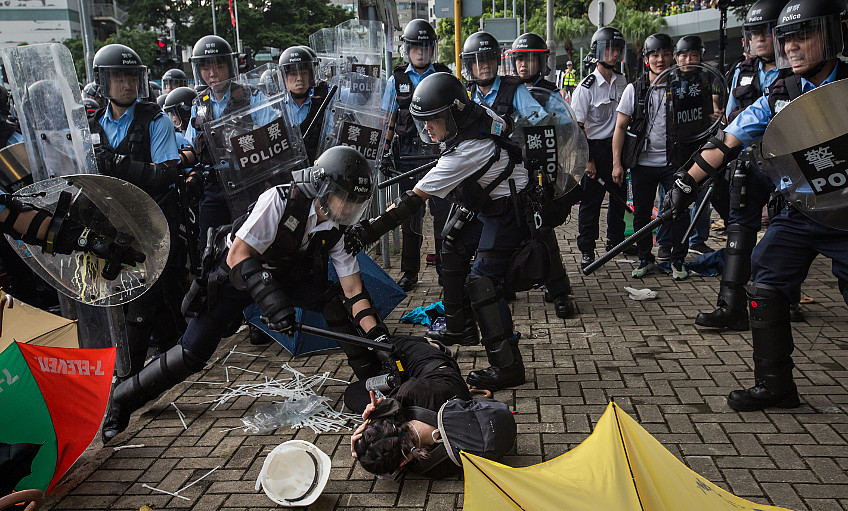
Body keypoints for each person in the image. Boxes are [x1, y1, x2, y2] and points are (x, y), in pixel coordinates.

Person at [101, 146, 391, 442]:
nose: (349, 208)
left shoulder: (337, 226)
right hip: (235, 275)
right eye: (346, 198)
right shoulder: (279, 200)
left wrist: (378, 337)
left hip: (284, 275)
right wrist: (273, 304)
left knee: (333, 302)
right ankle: (123, 399)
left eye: (356, 202)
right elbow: (238, 254)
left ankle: (373, 379)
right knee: (192, 352)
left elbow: (353, 290)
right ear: (323, 186)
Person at [664, 0, 848, 412]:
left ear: (833, 34)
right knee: (765, 280)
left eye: (805, 35)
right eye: (788, 39)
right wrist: (685, 182)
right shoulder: (780, 91)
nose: (795, 47)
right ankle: (775, 386)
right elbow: (730, 139)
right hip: (800, 211)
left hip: (847, 217)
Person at [344, 72, 529, 391]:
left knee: (483, 282)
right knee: (451, 243)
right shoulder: (477, 114)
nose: (427, 127)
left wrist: (364, 233)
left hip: (511, 210)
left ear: (454, 115)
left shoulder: (468, 151)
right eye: (422, 120)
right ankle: (461, 327)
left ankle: (508, 366)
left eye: (434, 119)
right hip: (491, 199)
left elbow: (409, 202)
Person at [87, 43, 185, 378]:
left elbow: (166, 175)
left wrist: (118, 164)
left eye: (132, 77)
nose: (127, 84)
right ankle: (172, 363)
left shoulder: (154, 120)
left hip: (154, 223)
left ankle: (127, 380)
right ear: (104, 82)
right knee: (134, 300)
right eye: (119, 77)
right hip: (113, 226)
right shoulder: (91, 125)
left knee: (151, 297)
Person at [695, 0, 793, 331]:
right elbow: (733, 120)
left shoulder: (796, 69)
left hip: (788, 164)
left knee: (788, 233)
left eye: (766, 31)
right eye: (753, 32)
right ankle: (730, 306)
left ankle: (783, 300)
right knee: (738, 229)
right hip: (746, 160)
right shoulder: (741, 70)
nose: (760, 38)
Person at [503, 32, 578, 319]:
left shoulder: (550, 92)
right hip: (510, 172)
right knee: (509, 227)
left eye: (529, 58)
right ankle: (507, 282)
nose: (523, 65)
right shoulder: (506, 89)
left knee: (541, 229)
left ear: (541, 61)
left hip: (539, 173)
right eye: (519, 59)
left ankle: (559, 290)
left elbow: (565, 128)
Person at [381, 20, 452, 292]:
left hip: (439, 155)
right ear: (407, 50)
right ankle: (409, 273)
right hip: (407, 157)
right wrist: (384, 154)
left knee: (442, 214)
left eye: (426, 47)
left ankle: (447, 270)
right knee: (410, 215)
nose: (421, 52)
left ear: (432, 48)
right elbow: (388, 120)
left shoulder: (444, 76)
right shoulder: (396, 80)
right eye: (416, 47)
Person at [612, 33, 690, 280]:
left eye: (665, 54)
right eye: (655, 55)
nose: (660, 59)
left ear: (673, 57)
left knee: (679, 211)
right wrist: (617, 163)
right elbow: (620, 127)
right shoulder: (633, 90)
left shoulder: (683, 87)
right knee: (641, 214)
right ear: (646, 59)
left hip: (673, 164)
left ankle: (677, 260)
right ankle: (646, 259)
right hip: (641, 164)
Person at [350, 336, 472, 478]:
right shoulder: (410, 393)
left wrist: (370, 454)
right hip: (434, 366)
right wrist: (374, 418)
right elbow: (396, 405)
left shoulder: (433, 468)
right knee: (393, 342)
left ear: (401, 464)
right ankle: (434, 345)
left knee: (352, 394)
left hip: (440, 387)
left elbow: (393, 460)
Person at [655, 34, 727, 257]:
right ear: (676, 58)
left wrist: (715, 116)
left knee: (702, 197)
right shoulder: (668, 80)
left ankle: (697, 239)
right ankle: (665, 243)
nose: (688, 60)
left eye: (693, 55)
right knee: (668, 198)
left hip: (701, 147)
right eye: (683, 55)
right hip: (674, 149)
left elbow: (713, 109)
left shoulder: (706, 79)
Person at [572, 26, 633, 270]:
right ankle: (587, 249)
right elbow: (578, 127)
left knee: (619, 199)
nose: (614, 54)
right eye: (609, 49)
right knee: (590, 203)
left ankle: (616, 242)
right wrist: (588, 161)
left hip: (616, 149)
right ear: (597, 51)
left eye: (618, 49)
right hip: (592, 149)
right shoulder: (585, 88)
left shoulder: (622, 81)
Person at [279, 45, 332, 163]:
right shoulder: (276, 108)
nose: (299, 78)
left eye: (304, 73)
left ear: (311, 77)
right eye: (293, 74)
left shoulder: (323, 104)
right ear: (284, 78)